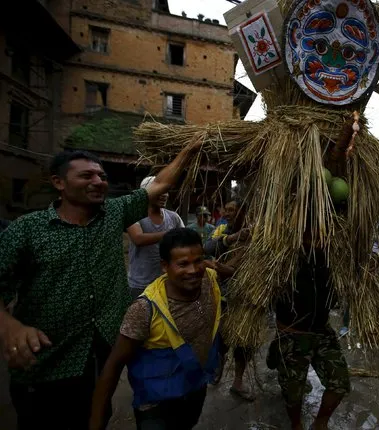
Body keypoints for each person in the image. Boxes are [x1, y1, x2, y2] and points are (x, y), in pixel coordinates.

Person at [0, 144, 201, 429]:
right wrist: (9, 327)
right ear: (59, 182)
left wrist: (190, 150)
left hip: (102, 357)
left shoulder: (114, 213)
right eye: (86, 176)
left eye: (101, 176)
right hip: (46, 366)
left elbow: (161, 183)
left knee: (97, 416)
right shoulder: (27, 229)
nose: (98, 182)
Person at [89, 228, 222, 430]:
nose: (193, 270)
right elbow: (113, 366)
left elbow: (222, 271)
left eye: (198, 261)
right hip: (156, 404)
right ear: (164, 266)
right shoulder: (144, 310)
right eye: (183, 264)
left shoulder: (209, 280)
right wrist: (96, 423)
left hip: (194, 387)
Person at [269, 229, 350, 430]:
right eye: (309, 236)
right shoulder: (283, 258)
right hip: (292, 335)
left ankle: (320, 423)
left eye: (320, 236)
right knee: (293, 392)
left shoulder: (332, 260)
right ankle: (296, 424)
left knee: (339, 382)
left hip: (322, 332)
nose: (316, 241)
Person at [204, 199, 254, 401]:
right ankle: (218, 366)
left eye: (233, 210)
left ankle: (238, 381)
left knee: (244, 343)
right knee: (221, 338)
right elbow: (208, 247)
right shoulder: (223, 228)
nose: (228, 213)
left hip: (248, 297)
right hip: (223, 295)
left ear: (244, 211)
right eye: (227, 209)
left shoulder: (257, 231)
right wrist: (231, 238)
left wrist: (226, 268)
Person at [127, 176, 184, 299]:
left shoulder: (174, 217)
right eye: (159, 191)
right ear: (146, 193)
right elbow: (138, 238)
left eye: (166, 191)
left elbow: (184, 240)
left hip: (166, 283)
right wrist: (171, 233)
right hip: (140, 284)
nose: (164, 195)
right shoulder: (134, 215)